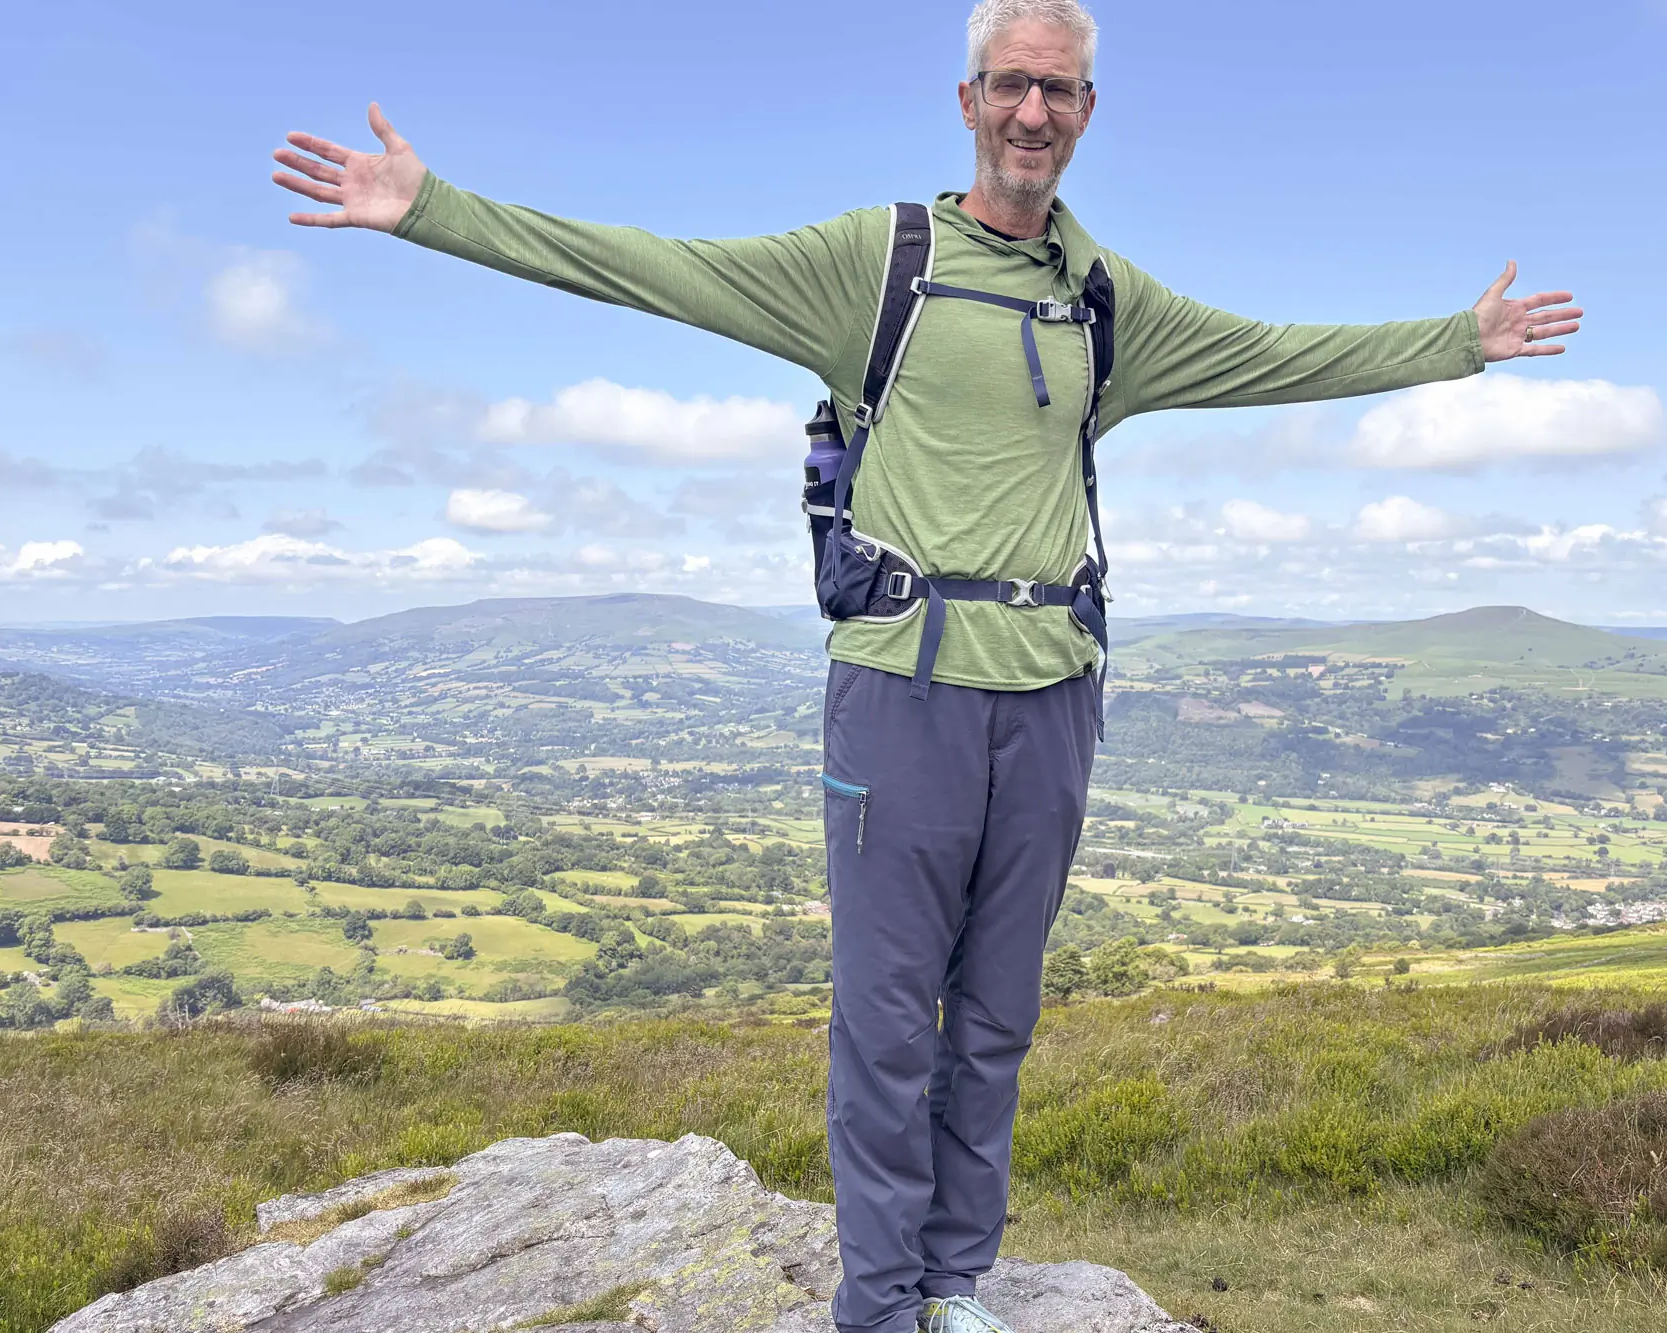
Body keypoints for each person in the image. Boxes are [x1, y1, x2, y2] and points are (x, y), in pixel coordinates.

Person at [271, 3, 1581, 1330]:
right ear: (967, 101)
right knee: (889, 1022)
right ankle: (881, 1304)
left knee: (998, 1018)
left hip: (1054, 695)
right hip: (903, 691)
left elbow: (1276, 355)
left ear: (1087, 112)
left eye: (1057, 90)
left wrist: (1457, 344)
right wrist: (434, 210)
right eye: (1010, 85)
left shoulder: (1105, 301)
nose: (1032, 113)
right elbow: (660, 269)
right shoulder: (879, 263)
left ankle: (955, 1285)